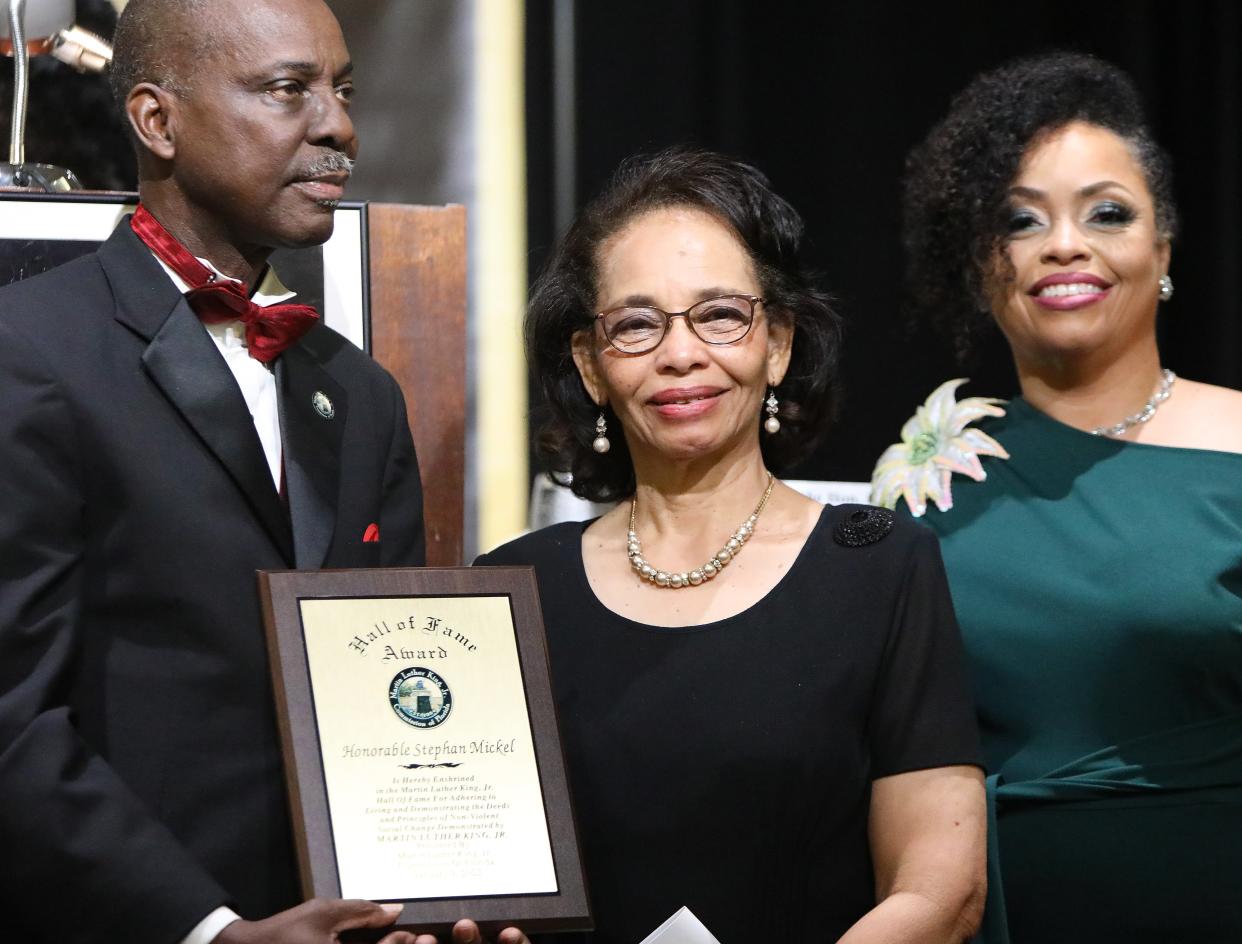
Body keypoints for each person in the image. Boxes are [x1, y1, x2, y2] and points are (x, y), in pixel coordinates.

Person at [0, 1, 511, 943]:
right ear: (158, 121)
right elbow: (11, 721)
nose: (338, 126)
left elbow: (393, 694)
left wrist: (429, 903)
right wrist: (214, 930)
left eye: (343, 89)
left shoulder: (360, 396)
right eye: (288, 90)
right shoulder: (28, 353)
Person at [477, 148, 985, 943]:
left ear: (777, 343)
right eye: (637, 324)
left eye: (720, 315)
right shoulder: (508, 588)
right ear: (590, 364)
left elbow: (943, 890)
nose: (681, 354)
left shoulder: (881, 566)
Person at [871, 52, 1242, 943]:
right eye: (1020, 222)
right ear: (979, 263)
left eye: (1106, 214)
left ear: (1163, 248)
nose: (1063, 245)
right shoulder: (926, 483)